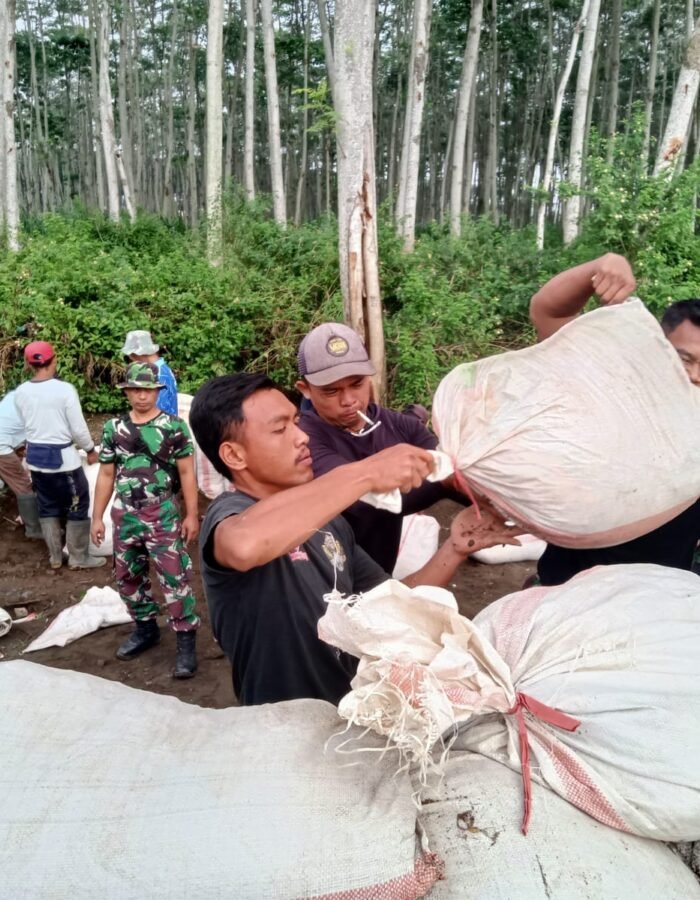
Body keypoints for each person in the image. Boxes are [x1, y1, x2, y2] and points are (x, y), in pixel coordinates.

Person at [189, 372, 521, 706]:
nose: (302, 437)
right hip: (282, 728)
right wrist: (366, 472)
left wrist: (455, 548)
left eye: (297, 422)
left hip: (351, 711)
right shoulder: (230, 515)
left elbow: (392, 603)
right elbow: (244, 545)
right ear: (234, 455)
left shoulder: (329, 521)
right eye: (280, 429)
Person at [529, 252, 700, 585]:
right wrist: (597, 268)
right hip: (566, 589)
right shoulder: (611, 393)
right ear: (657, 348)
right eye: (684, 359)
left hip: (658, 597)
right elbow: (548, 313)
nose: (695, 376)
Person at [295, 322, 468, 573]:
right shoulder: (304, 440)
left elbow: (455, 470)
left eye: (357, 384)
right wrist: (444, 479)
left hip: (379, 571)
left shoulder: (401, 426)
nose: (349, 400)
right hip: (327, 576)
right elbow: (363, 502)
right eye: (331, 391)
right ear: (306, 390)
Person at [91, 362, 200, 678]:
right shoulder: (114, 428)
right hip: (125, 514)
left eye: (148, 390)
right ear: (127, 392)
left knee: (174, 578)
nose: (142, 396)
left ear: (157, 391)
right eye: (135, 390)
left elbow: (186, 473)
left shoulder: (174, 427)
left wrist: (192, 514)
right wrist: (97, 517)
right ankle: (145, 629)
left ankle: (186, 642)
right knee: (127, 575)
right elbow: (106, 474)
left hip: (161, 514)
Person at [14, 340, 106, 571]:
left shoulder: (21, 392)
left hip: (36, 461)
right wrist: (90, 450)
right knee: (78, 504)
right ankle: (78, 557)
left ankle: (55, 557)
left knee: (47, 506)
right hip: (64, 462)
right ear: (53, 360)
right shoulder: (65, 390)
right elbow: (78, 429)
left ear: (28, 364)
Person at [0, 388, 42, 540]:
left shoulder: (15, 396)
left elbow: (10, 426)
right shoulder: (38, 405)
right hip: (1, 447)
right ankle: (34, 530)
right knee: (23, 485)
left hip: (3, 441)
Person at [121, 330, 178, 416]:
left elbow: (156, 412)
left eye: (131, 356)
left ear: (136, 354)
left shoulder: (157, 375)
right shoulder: (163, 368)